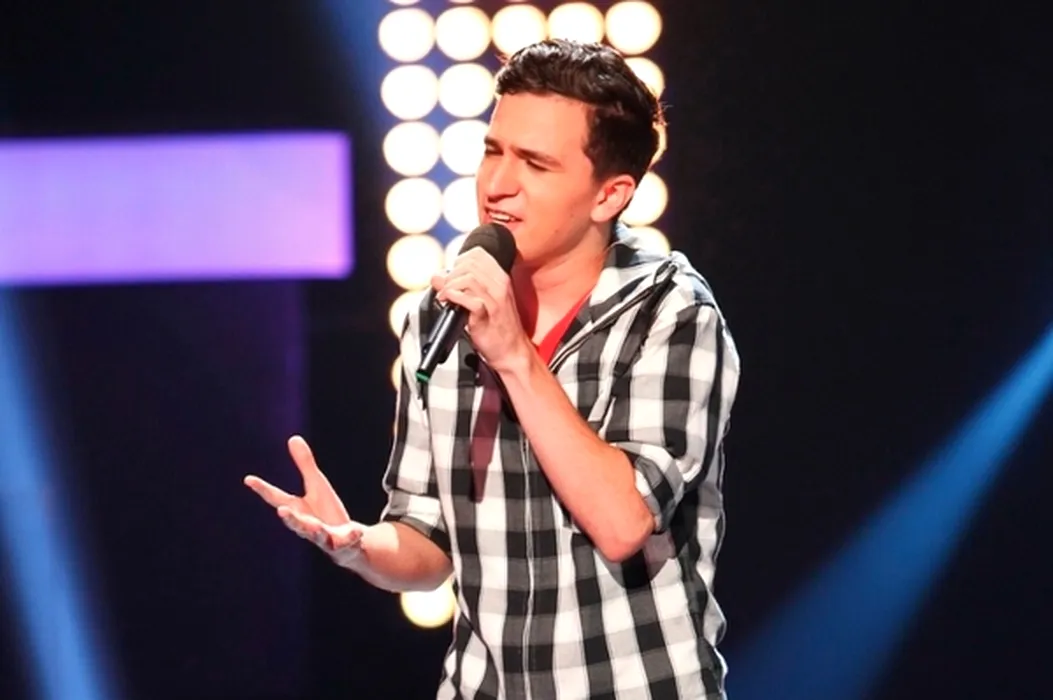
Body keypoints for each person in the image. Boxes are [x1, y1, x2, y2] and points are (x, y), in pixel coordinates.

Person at [245, 39, 741, 700]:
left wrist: (513, 354)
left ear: (609, 195)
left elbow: (623, 523)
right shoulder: (442, 312)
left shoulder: (671, 312)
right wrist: (359, 545)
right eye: (493, 151)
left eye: (534, 163)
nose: (497, 184)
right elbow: (427, 546)